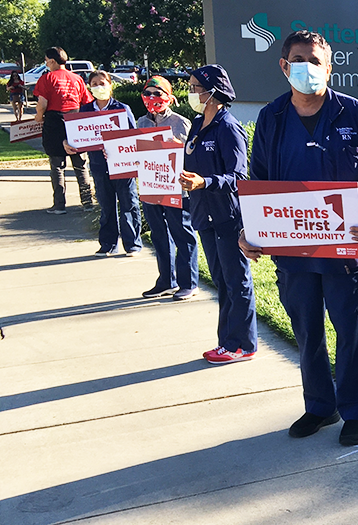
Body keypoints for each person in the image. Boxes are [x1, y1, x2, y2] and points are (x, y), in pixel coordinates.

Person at [240, 31, 358, 446]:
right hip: (295, 254)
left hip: (347, 250)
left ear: (329, 67)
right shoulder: (271, 119)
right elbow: (260, 184)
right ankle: (320, 407)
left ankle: (356, 411)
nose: (307, 66)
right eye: (298, 58)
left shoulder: (352, 112)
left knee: (353, 330)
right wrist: (249, 230)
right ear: (284, 65)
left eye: (315, 60)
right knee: (306, 332)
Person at [179, 64, 256, 364]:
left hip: (227, 217)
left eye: (195, 87)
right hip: (203, 215)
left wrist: (204, 182)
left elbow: (239, 177)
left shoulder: (228, 127)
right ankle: (226, 342)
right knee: (222, 281)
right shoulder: (198, 124)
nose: (191, 92)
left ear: (212, 91)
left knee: (236, 280)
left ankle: (243, 345)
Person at [136, 76, 198, 300]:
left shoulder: (181, 123)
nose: (152, 98)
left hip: (176, 188)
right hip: (151, 188)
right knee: (159, 235)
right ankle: (166, 281)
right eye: (148, 93)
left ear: (169, 98)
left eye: (158, 93)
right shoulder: (140, 123)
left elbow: (192, 155)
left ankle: (189, 282)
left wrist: (177, 147)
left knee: (182, 234)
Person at [69, 71, 142, 257]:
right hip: (99, 166)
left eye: (102, 83)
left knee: (129, 204)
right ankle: (108, 244)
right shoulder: (85, 111)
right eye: (94, 83)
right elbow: (77, 138)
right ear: (89, 87)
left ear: (110, 85)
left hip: (123, 165)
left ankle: (133, 244)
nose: (99, 87)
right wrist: (67, 143)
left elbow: (134, 135)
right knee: (106, 205)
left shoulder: (122, 109)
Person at [32, 47, 95, 215]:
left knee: (57, 165)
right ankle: (87, 202)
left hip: (54, 121)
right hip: (75, 120)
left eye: (46, 60)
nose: (45, 63)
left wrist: (39, 117)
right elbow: (86, 102)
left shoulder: (46, 79)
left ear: (52, 61)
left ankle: (59, 205)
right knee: (80, 164)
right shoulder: (77, 79)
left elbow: (42, 104)